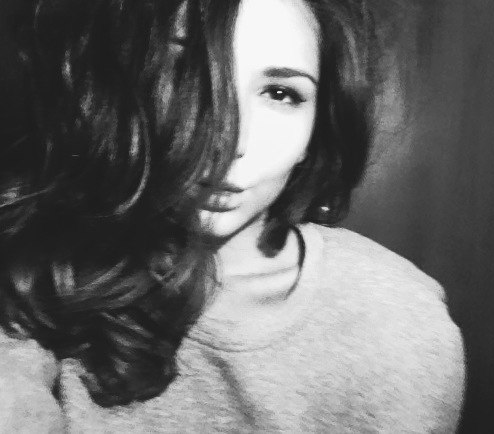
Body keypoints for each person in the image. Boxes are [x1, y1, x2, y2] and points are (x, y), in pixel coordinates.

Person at [0, 0, 465, 432]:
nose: (228, 141)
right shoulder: (35, 280)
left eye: (280, 93)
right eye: (185, 73)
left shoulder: (397, 324)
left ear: (316, 131)